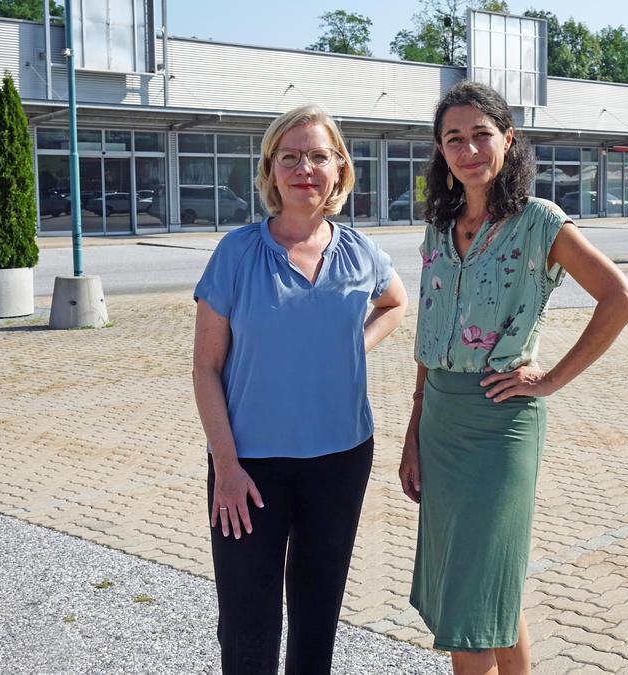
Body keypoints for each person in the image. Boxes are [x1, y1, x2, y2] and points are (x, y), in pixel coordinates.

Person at [399, 80, 628, 674]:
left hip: (499, 422)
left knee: (472, 603)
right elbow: (430, 341)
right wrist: (412, 433)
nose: (469, 150)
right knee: (492, 591)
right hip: (440, 421)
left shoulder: (540, 222)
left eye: (481, 135)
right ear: (441, 151)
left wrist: (552, 380)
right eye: (453, 138)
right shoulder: (439, 226)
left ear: (507, 139)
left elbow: (622, 298)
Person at [192, 104, 408, 674]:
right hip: (250, 469)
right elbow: (205, 368)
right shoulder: (236, 253)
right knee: (247, 625)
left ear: (339, 167)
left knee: (317, 619)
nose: (304, 168)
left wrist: (352, 348)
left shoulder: (361, 251)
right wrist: (227, 467)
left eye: (318, 156)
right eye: (290, 157)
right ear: (270, 170)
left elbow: (395, 303)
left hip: (340, 461)